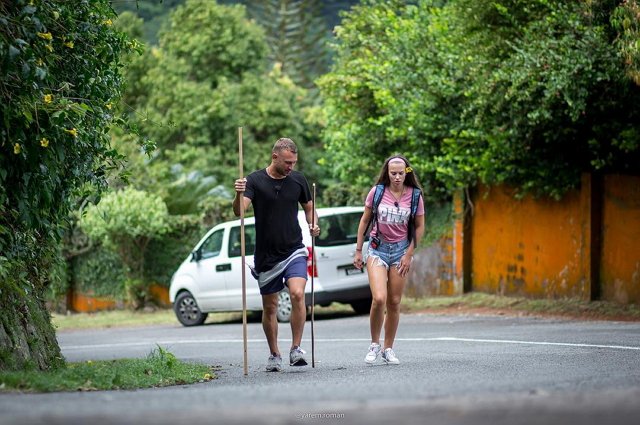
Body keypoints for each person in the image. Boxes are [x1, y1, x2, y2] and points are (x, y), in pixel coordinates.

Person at [233, 137, 320, 372]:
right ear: (275, 157)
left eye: (294, 162)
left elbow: (310, 208)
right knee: (270, 307)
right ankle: (274, 354)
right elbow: (239, 212)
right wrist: (238, 194)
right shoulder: (254, 180)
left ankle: (296, 349)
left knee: (298, 294)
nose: (291, 167)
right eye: (287, 162)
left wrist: (313, 225)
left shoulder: (298, 180)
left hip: (294, 249)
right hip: (266, 256)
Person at [353, 155, 425, 365]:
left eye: (401, 173)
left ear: (407, 173)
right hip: (377, 250)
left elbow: (419, 226)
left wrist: (409, 254)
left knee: (394, 301)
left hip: (401, 251)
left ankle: (388, 348)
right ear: (387, 172)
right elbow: (365, 220)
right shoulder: (377, 192)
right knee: (379, 298)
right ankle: (374, 345)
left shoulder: (415, 196)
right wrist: (358, 250)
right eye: (393, 173)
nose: (396, 177)